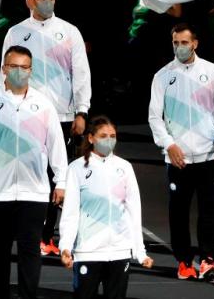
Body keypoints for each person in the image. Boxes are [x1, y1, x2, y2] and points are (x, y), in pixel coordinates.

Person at [0, 45, 69, 299]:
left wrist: (61, 180)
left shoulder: (43, 105)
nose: (18, 71)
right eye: (13, 66)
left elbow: (55, 145)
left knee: (30, 250)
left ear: (31, 71)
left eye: (24, 67)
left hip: (35, 192)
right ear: (4, 69)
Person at [0, 0, 91, 255]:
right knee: (28, 173)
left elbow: (81, 73)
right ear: (30, 0)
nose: (48, 3)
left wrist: (81, 111)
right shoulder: (16, 33)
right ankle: (25, 228)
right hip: (25, 115)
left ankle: (46, 235)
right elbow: (3, 74)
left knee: (57, 175)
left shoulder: (69, 32)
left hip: (62, 115)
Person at [148, 22, 214, 280]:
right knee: (179, 212)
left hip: (208, 155)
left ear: (195, 43)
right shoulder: (162, 76)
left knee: (208, 210)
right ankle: (184, 261)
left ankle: (208, 260)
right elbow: (154, 117)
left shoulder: (212, 71)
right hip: (179, 158)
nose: (180, 47)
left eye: (184, 42)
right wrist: (168, 144)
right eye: (175, 43)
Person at [59, 116, 154, 299]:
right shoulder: (76, 169)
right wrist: (65, 247)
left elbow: (134, 211)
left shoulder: (124, 168)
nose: (108, 140)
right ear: (91, 138)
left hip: (119, 252)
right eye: (103, 135)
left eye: (112, 136)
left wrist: (140, 253)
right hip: (88, 252)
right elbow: (70, 213)